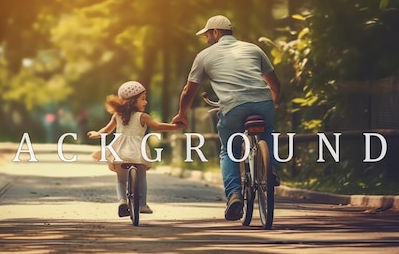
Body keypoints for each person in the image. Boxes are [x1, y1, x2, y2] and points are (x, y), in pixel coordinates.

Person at [171, 15, 282, 221]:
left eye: (207, 35)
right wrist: (274, 99)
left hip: (233, 107)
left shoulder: (204, 56)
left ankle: (234, 195)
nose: (206, 39)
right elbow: (273, 81)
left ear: (215, 32)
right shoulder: (254, 49)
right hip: (263, 102)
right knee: (268, 130)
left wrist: (182, 114)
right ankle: (271, 168)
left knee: (229, 150)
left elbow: (188, 90)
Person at [88, 81, 183, 217]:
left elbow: (106, 131)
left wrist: (96, 133)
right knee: (142, 178)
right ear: (133, 101)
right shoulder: (142, 117)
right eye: (143, 99)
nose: (146, 102)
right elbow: (158, 126)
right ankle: (142, 204)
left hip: (119, 152)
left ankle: (122, 201)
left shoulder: (117, 116)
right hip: (137, 152)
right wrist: (176, 127)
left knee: (121, 180)